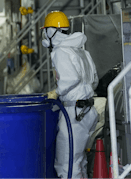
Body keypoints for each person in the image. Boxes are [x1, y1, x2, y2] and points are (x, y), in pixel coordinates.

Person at [43, 11, 99, 178]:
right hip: (88, 111)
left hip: (74, 113)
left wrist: (56, 92)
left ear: (51, 32)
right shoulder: (81, 51)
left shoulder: (60, 52)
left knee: (66, 164)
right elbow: (94, 80)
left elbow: (70, 79)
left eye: (45, 30)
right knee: (79, 160)